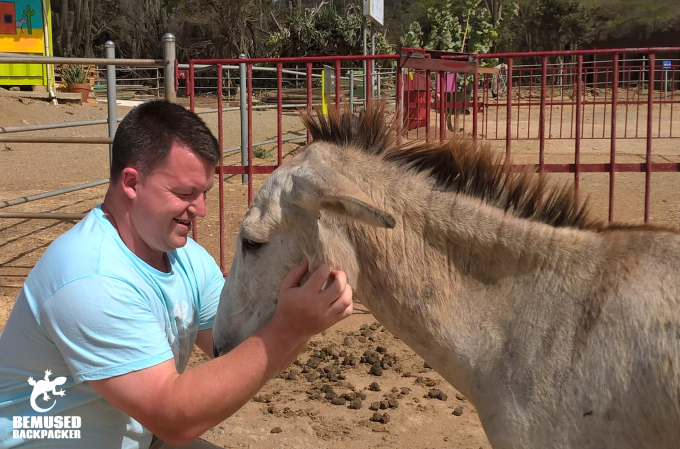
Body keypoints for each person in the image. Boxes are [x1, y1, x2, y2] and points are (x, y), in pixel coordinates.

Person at [0, 100, 354, 449]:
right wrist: (289, 328)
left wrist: (302, 318)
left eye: (204, 193)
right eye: (186, 193)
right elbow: (173, 418)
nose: (200, 209)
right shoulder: (90, 279)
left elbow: (236, 348)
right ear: (131, 183)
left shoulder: (186, 259)